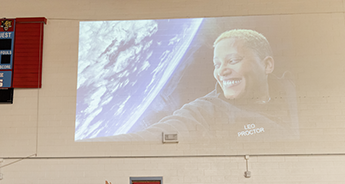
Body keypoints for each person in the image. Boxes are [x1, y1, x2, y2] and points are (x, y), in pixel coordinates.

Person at [84, 29, 299, 142]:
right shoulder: (206, 112)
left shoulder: (295, 91)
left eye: (233, 61)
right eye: (217, 64)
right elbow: (151, 136)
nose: (221, 71)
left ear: (267, 65)